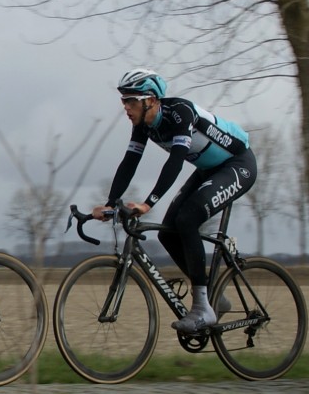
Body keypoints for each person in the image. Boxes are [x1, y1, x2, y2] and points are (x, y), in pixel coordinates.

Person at [92, 68, 257, 332]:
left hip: (237, 165)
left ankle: (203, 308)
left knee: (188, 218)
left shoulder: (181, 113)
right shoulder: (143, 126)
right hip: (209, 170)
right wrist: (112, 203)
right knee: (168, 232)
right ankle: (215, 295)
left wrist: (148, 203)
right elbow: (130, 162)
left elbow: (176, 161)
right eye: (124, 101)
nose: (126, 107)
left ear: (152, 100)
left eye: (131, 100)